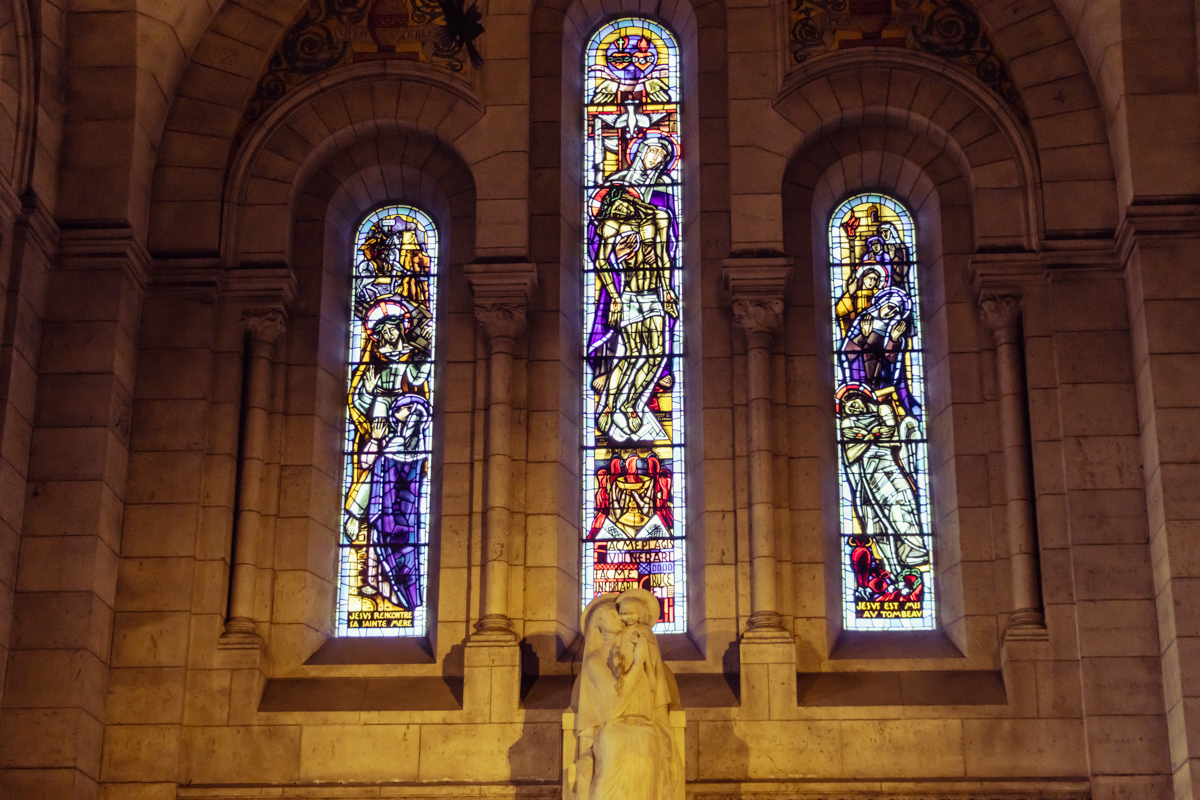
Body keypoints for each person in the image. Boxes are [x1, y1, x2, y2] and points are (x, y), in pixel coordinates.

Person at [590, 188, 678, 442]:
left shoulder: (659, 217)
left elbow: (663, 258)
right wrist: (615, 297)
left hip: (652, 296)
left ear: (630, 198)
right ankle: (608, 406)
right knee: (631, 354)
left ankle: (630, 403)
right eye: (611, 209)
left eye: (618, 205)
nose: (617, 212)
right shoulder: (611, 225)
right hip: (630, 296)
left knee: (656, 354)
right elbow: (600, 262)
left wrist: (668, 291)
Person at [836, 383, 929, 578]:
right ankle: (890, 568)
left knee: (902, 507)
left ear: (864, 400)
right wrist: (872, 436)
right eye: (847, 407)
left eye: (855, 402)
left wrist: (865, 437)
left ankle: (913, 551)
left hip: (890, 471)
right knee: (874, 524)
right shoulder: (847, 424)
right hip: (868, 480)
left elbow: (890, 435)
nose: (852, 408)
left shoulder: (882, 409)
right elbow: (851, 455)